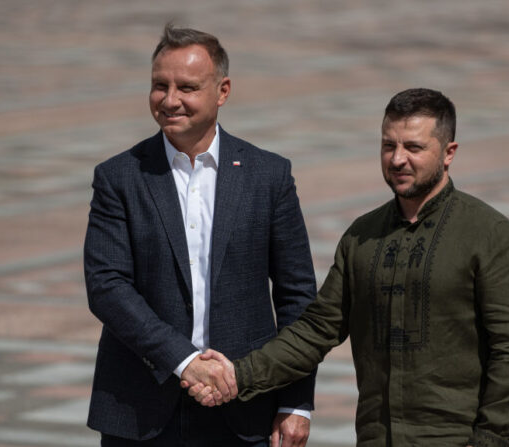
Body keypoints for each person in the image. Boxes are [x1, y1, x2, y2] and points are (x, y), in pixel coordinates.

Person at [189, 88, 509, 446]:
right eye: (388, 146)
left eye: (413, 148)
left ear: (449, 153)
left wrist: (491, 440)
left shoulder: (491, 235)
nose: (398, 159)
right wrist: (238, 374)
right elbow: (315, 329)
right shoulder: (363, 236)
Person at [84, 24, 317, 446]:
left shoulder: (269, 175)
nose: (170, 100)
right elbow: (107, 287)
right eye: (159, 86)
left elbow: (297, 296)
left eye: (187, 87)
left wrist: (295, 403)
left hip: (245, 407)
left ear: (222, 91)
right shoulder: (119, 176)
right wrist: (185, 361)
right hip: (140, 409)